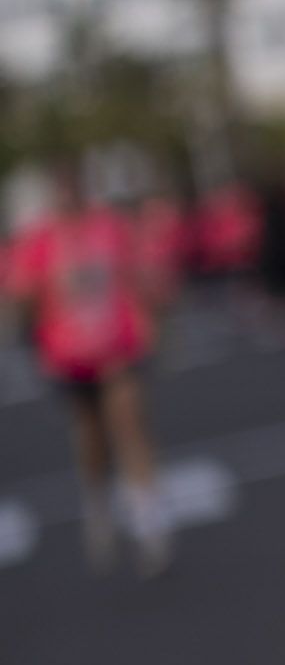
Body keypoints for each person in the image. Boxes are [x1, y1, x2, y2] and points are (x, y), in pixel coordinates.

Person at [13, 155, 171, 572]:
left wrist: (152, 317)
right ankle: (99, 501)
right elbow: (23, 296)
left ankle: (149, 523)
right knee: (91, 438)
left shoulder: (110, 226)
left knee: (131, 425)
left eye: (75, 187)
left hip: (119, 347)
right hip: (69, 355)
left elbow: (139, 274)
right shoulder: (41, 239)